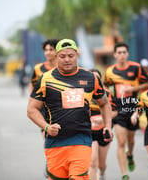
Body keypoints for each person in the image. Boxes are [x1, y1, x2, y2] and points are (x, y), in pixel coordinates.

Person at [27, 39, 113, 180]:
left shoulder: (91, 78)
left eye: (71, 56)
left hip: (81, 138)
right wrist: (46, 127)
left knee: (77, 177)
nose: (67, 60)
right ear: (56, 57)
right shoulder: (45, 79)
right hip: (55, 142)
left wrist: (108, 126)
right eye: (62, 56)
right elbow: (31, 109)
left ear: (77, 55)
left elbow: (104, 104)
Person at [104, 41, 148, 180]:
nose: (122, 55)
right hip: (118, 108)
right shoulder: (110, 71)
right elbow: (106, 88)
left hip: (133, 106)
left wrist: (132, 89)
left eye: (124, 52)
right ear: (115, 55)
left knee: (130, 139)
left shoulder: (136, 68)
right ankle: (124, 174)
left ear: (127, 54)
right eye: (119, 53)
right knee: (121, 142)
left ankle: (130, 154)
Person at [28, 38, 59, 178]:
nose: (48, 52)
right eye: (46, 50)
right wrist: (32, 99)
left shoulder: (62, 67)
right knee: (47, 136)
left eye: (51, 49)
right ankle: (50, 163)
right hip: (43, 109)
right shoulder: (38, 69)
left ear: (56, 51)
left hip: (60, 108)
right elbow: (32, 84)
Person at [88, 69, 117, 180]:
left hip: (103, 130)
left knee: (101, 163)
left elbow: (115, 111)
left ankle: (102, 174)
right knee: (93, 162)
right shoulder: (84, 93)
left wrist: (103, 120)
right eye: (92, 77)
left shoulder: (107, 93)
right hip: (89, 131)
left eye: (97, 78)